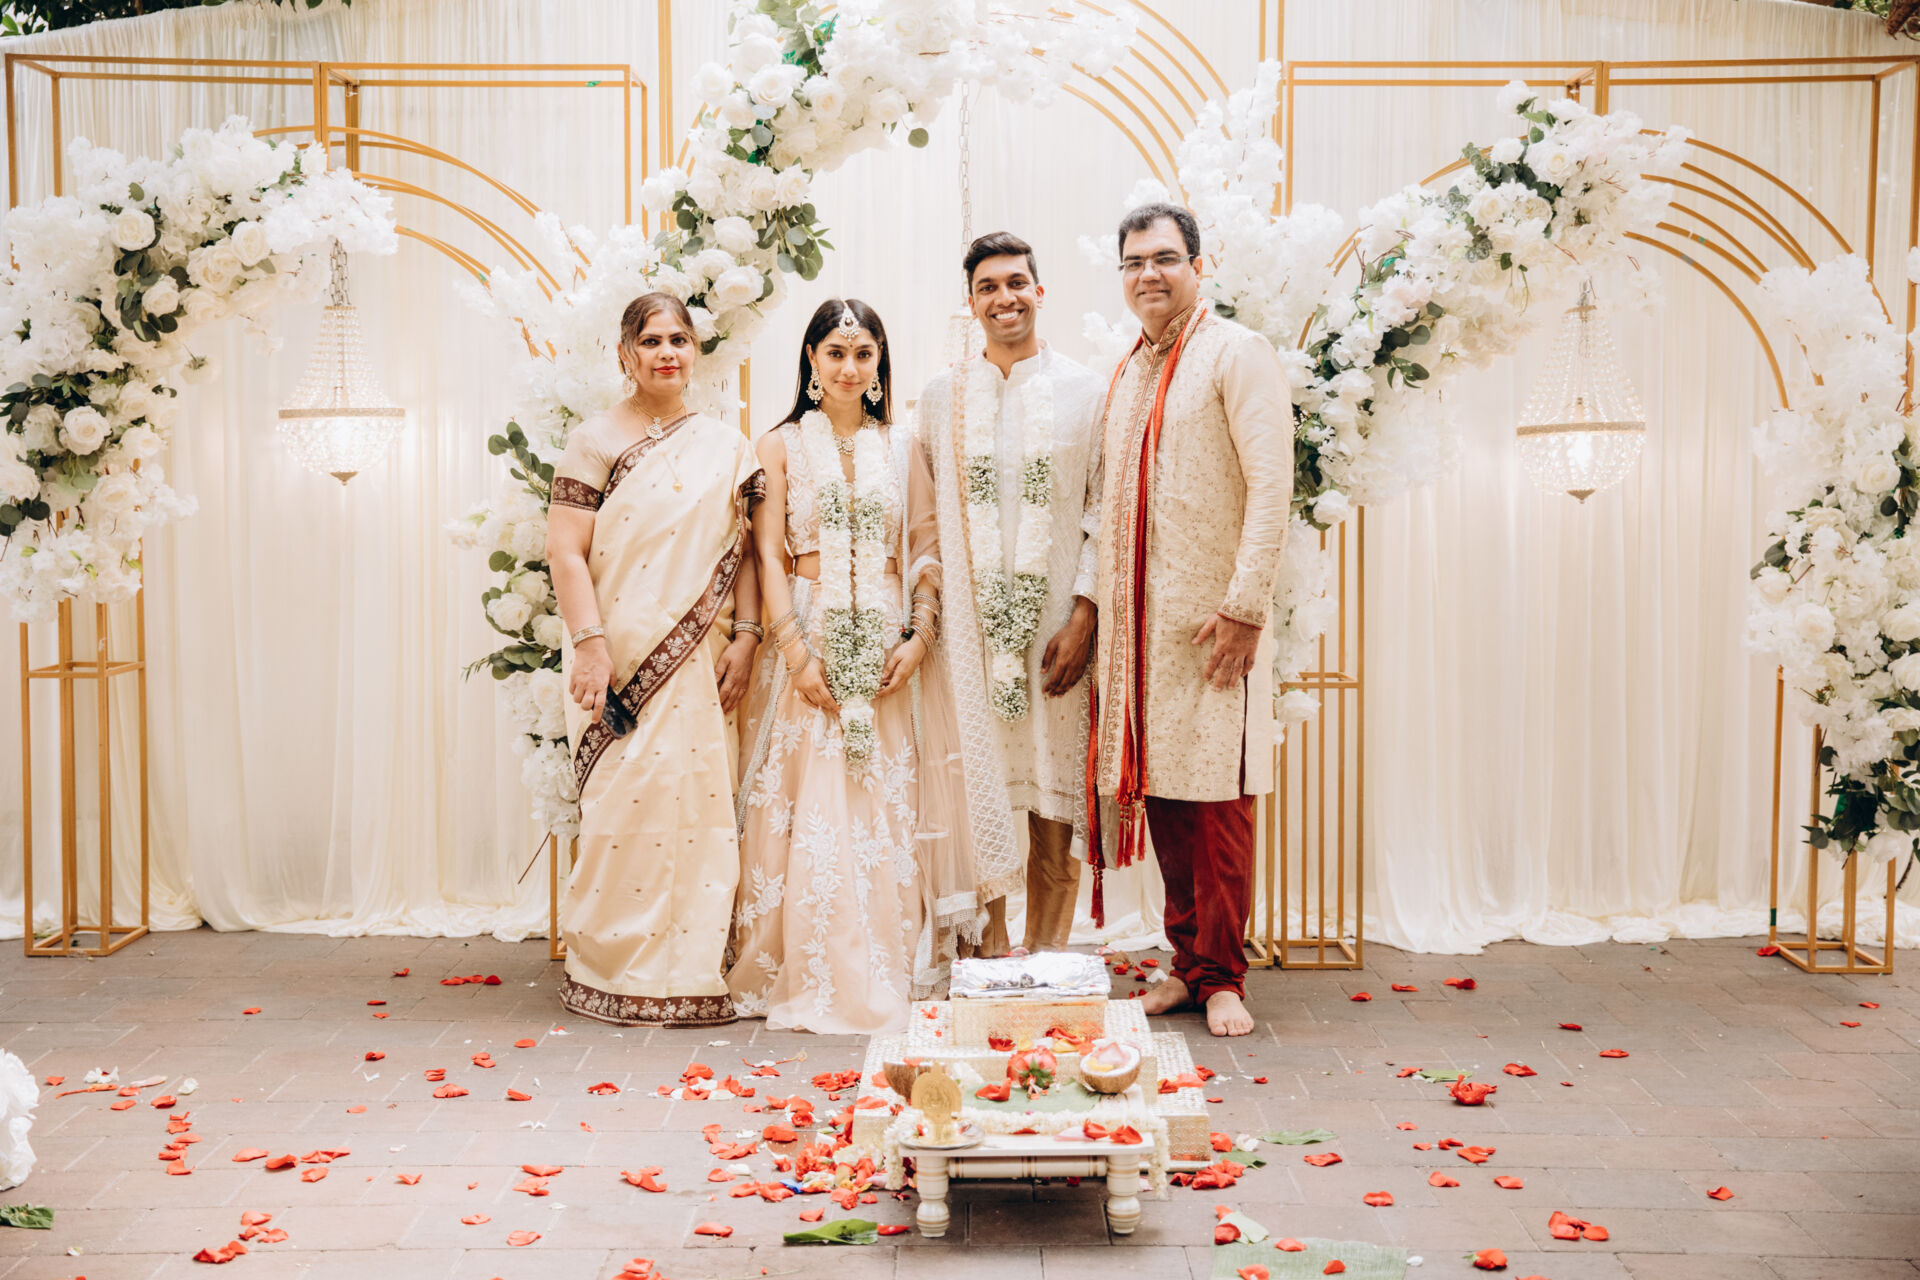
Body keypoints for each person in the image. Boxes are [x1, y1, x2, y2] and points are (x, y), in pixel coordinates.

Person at [728, 298, 981, 1035]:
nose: (848, 367)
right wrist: (795, 652)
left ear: (879, 363)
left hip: (887, 637)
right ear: (811, 358)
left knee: (881, 798)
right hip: (804, 627)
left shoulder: (902, 446)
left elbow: (927, 548)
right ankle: (804, 962)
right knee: (807, 793)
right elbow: (766, 554)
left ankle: (888, 956)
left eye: (862, 353)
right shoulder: (778, 445)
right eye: (835, 352)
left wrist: (919, 637)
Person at [1090, 203, 1292, 1038]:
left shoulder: (1236, 352)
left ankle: (1223, 977)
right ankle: (1186, 965)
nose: (1149, 274)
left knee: (1218, 811)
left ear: (1197, 267)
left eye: (1165, 258)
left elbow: (1272, 485)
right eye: (1134, 262)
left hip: (1215, 628)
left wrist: (1245, 608)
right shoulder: (1132, 369)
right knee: (1170, 803)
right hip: (1145, 637)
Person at [545, 292, 764, 1027]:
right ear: (624, 354)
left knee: (698, 807)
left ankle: (693, 969)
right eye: (651, 341)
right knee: (622, 807)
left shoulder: (726, 446)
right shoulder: (595, 440)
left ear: (696, 351)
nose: (666, 352)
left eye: (679, 339)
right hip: (615, 658)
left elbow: (746, 554)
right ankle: (614, 970)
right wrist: (590, 645)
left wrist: (747, 638)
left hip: (701, 660)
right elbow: (565, 552)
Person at [915, 231, 1106, 955]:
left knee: (1054, 793)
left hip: (1057, 626)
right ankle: (989, 959)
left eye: (1016, 282)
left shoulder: (1087, 392)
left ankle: (1050, 958)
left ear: (1040, 291)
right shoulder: (941, 399)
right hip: (967, 636)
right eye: (988, 287)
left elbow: (1103, 511)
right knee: (978, 791)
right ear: (970, 304)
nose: (1005, 298)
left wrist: (1084, 616)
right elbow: (925, 518)